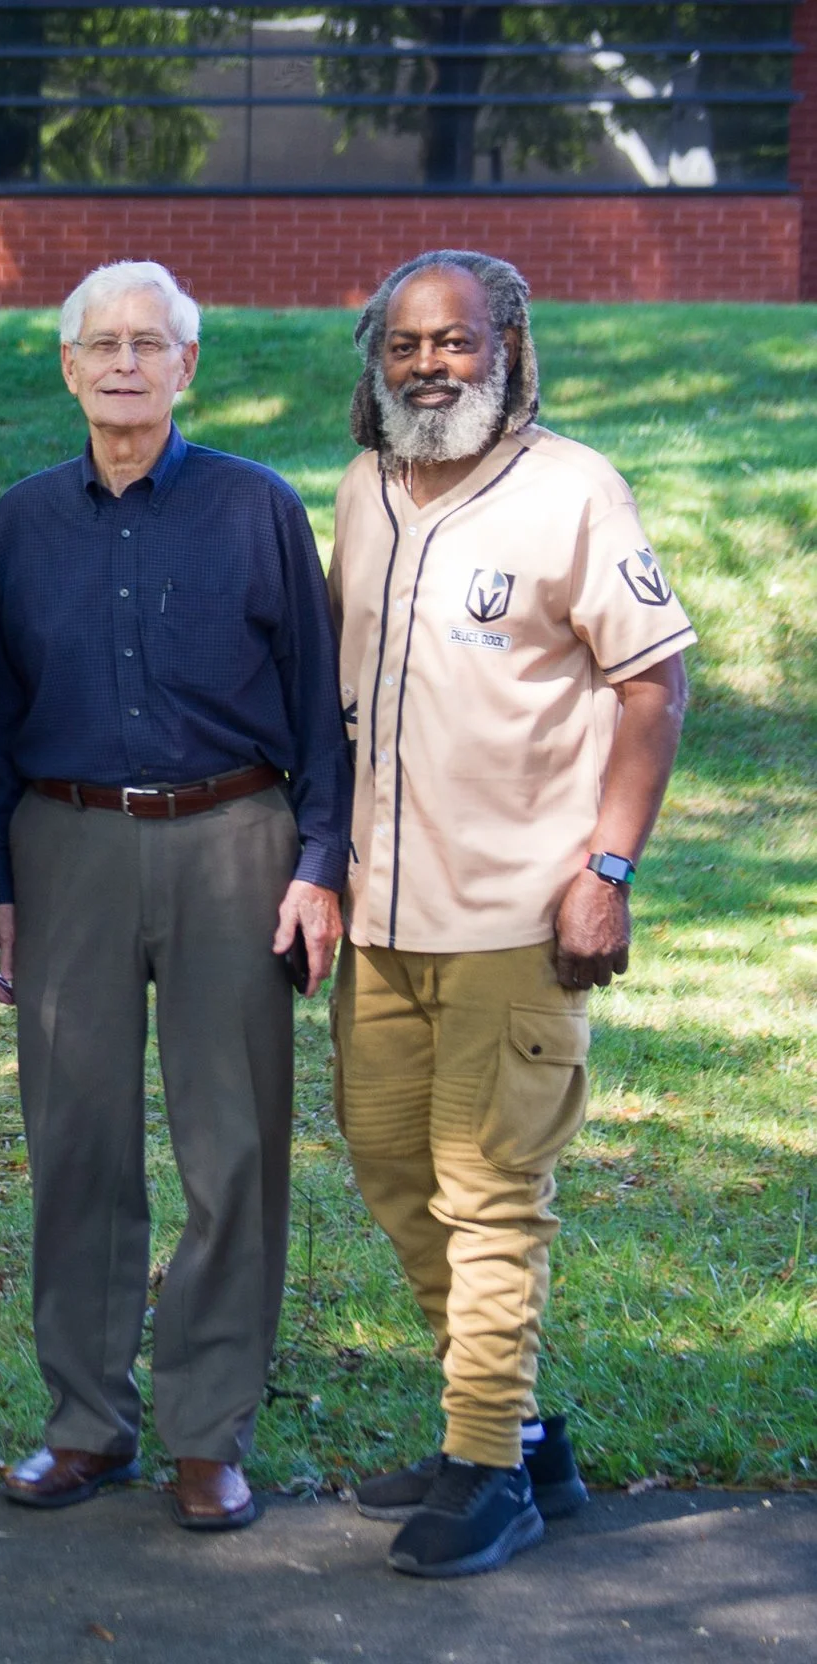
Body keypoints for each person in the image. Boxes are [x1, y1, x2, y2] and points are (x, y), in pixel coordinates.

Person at [0, 261, 347, 1533]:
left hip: (232, 839)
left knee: (231, 1147)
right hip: (65, 846)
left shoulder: (256, 506)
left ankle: (207, 1429)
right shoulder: (22, 522)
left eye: (149, 342)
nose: (123, 362)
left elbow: (319, 708)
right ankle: (85, 1422)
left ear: (188, 364)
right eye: (101, 343)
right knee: (76, 1141)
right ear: (67, 366)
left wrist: (318, 862)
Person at [329, 250, 689, 1579]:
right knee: (393, 1170)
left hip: (518, 915)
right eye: (406, 342)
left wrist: (608, 869)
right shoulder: (363, 488)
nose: (429, 364)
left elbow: (654, 686)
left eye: (456, 341)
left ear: (508, 348)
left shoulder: (574, 490)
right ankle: (522, 1434)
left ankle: (485, 1463)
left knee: (490, 1194)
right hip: (380, 915)